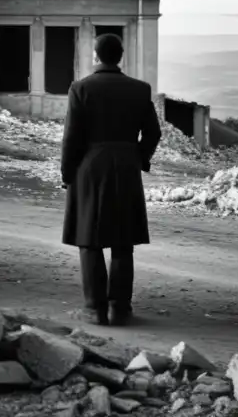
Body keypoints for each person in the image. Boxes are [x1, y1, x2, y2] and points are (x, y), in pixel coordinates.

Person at [60, 33, 162, 326]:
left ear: (96, 55)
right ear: (120, 56)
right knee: (123, 239)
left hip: (90, 168)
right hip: (126, 168)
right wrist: (138, 157)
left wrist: (68, 173)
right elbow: (153, 133)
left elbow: (71, 138)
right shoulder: (140, 90)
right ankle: (120, 307)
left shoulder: (80, 89)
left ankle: (95, 309)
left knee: (89, 239)